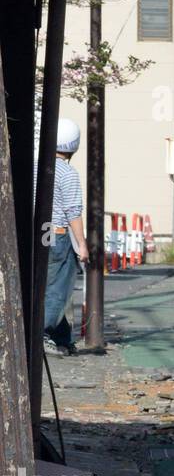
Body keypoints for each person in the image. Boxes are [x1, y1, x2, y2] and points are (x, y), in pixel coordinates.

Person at [41, 118, 87, 355]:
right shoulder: (68, 173)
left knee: (40, 285)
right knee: (59, 288)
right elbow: (73, 212)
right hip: (58, 235)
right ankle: (42, 333)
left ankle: (61, 338)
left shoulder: (36, 166)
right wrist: (81, 244)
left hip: (37, 234)